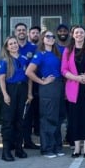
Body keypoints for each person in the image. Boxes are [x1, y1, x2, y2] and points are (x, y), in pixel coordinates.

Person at [26, 30, 65, 158]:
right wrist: (42, 81)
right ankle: (47, 148)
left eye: (52, 36)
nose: (50, 38)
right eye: (47, 36)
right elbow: (29, 72)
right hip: (48, 87)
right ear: (43, 39)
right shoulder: (40, 54)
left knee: (58, 117)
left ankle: (57, 146)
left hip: (59, 86)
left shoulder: (58, 52)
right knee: (48, 118)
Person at [61, 25, 85, 158]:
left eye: (81, 32)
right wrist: (77, 78)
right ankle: (77, 147)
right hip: (74, 88)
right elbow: (63, 70)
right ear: (73, 35)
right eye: (76, 33)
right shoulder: (68, 50)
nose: (79, 35)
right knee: (75, 118)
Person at [0, 36, 31, 162]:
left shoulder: (24, 59)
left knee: (20, 120)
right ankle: (6, 151)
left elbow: (29, 78)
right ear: (7, 47)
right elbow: (1, 79)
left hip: (22, 89)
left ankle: (19, 148)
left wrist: (29, 93)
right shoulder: (4, 61)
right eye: (10, 44)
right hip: (10, 89)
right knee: (8, 121)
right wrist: (5, 94)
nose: (13, 45)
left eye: (15, 43)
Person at [15, 23, 40, 150]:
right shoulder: (12, 46)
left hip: (31, 83)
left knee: (28, 114)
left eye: (23, 30)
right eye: (19, 30)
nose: (21, 32)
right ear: (15, 32)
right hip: (15, 84)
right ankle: (15, 141)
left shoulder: (34, 47)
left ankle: (28, 140)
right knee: (16, 113)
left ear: (27, 32)